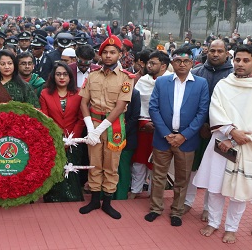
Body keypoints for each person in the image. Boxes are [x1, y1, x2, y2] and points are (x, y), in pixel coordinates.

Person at [193, 45, 252, 244]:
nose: (240, 64)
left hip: (246, 145)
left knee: (238, 192)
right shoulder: (224, 85)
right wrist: (230, 131)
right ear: (233, 60)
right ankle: (213, 221)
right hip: (222, 142)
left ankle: (232, 228)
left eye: (246, 61)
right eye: (238, 60)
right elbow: (215, 110)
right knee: (215, 186)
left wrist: (237, 137)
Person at [145, 46, 209, 227]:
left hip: (186, 140)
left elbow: (202, 112)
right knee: (158, 176)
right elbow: (153, 109)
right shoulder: (162, 82)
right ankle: (156, 208)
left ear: (192, 63)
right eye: (178, 61)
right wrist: (166, 134)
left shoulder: (201, 83)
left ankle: (177, 211)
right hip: (162, 138)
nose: (182, 64)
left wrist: (184, 135)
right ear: (172, 62)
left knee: (182, 178)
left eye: (186, 61)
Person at [78, 35, 135, 219]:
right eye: (105, 53)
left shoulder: (126, 78)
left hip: (113, 126)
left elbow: (120, 107)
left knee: (111, 165)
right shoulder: (92, 75)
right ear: (99, 55)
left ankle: (107, 202)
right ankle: (94, 200)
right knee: (94, 163)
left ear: (120, 54)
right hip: (93, 123)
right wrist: (90, 126)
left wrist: (100, 128)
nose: (108, 56)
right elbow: (83, 102)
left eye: (113, 52)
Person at [184, 39, 234, 219]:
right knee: (192, 167)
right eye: (212, 50)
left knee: (216, 171)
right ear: (207, 51)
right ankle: (187, 202)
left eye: (220, 51)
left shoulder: (233, 77)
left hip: (222, 133)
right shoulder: (196, 72)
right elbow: (189, 104)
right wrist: (200, 125)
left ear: (227, 53)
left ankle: (208, 208)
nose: (215, 54)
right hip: (196, 129)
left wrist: (216, 127)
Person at [40, 62, 84, 202]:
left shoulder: (78, 93)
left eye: (65, 74)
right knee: (55, 170)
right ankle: (53, 198)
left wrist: (71, 139)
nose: (62, 77)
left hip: (74, 140)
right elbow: (45, 119)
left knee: (72, 172)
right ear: (53, 76)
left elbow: (81, 119)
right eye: (58, 74)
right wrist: (57, 139)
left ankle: (74, 199)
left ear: (70, 77)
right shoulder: (45, 93)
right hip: (53, 140)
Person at [130, 51, 172, 199]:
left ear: (163, 66)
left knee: (158, 162)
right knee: (139, 160)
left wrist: (158, 124)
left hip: (163, 129)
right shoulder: (143, 80)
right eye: (149, 62)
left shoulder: (171, 81)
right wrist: (144, 123)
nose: (148, 65)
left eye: (153, 63)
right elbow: (137, 104)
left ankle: (153, 193)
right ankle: (135, 190)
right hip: (142, 127)